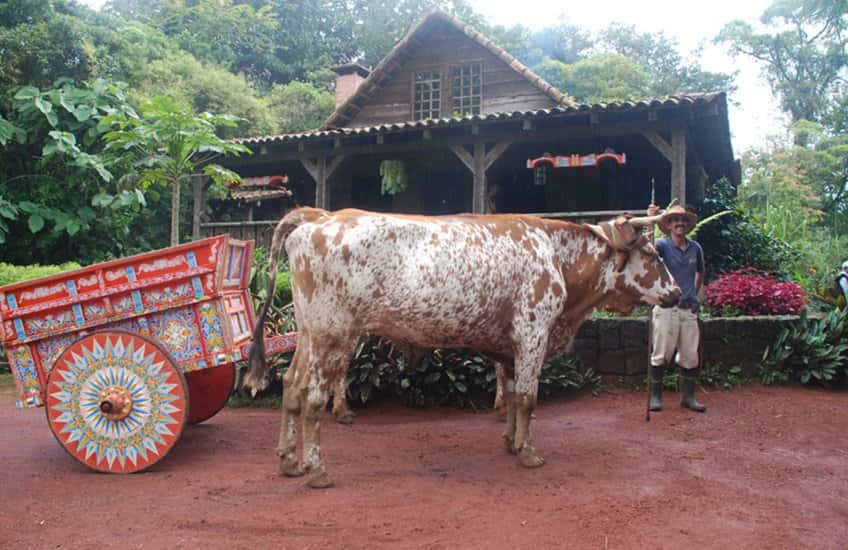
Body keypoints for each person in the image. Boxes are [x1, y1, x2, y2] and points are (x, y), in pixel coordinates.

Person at [646, 202, 706, 413]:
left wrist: (693, 293)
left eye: (683, 220)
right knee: (661, 354)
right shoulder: (662, 246)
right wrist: (651, 219)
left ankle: (688, 398)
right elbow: (648, 252)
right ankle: (655, 398)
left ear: (688, 225)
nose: (679, 223)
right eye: (674, 220)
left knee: (690, 356)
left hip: (688, 308)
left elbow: (700, 272)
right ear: (669, 225)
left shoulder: (695, 248)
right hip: (666, 308)